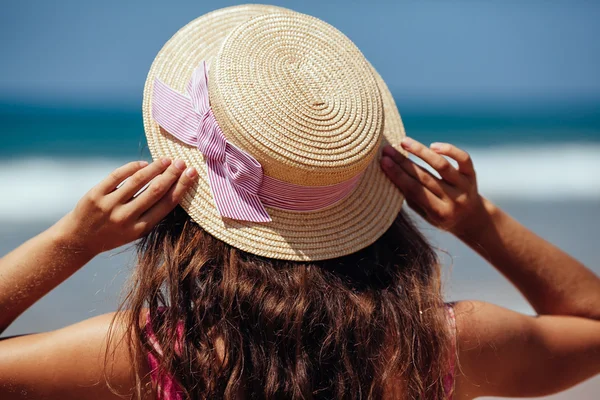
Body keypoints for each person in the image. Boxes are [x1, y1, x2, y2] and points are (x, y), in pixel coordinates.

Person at [1, 5, 599, 400]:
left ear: (184, 203)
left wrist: (70, 243)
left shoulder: (158, 353)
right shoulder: (442, 344)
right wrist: (480, 223)